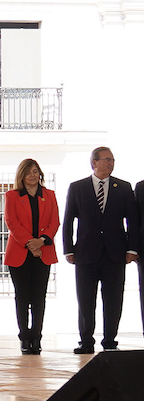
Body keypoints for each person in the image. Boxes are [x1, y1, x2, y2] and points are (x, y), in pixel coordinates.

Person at [63, 147, 137, 354]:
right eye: (106, 159)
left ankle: (110, 340)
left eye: (112, 160)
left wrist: (132, 248)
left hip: (115, 253)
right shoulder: (78, 187)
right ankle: (86, 341)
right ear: (94, 162)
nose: (111, 163)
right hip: (86, 253)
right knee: (85, 299)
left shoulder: (123, 187)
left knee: (113, 299)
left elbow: (132, 221)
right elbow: (68, 219)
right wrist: (68, 249)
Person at [5, 159, 58, 355]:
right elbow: (11, 222)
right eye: (28, 172)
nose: (33, 175)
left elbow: (54, 222)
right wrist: (30, 243)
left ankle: (37, 337)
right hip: (20, 252)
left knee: (38, 297)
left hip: (43, 251)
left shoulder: (49, 195)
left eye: (35, 171)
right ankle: (24, 337)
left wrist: (41, 241)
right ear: (21, 176)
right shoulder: (12, 196)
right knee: (22, 296)